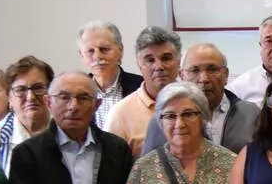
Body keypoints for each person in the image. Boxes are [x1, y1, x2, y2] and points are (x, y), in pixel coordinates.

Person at [142, 43, 260, 155]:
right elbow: (150, 166)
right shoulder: (164, 117)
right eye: (194, 70)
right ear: (182, 76)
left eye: (212, 69)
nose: (204, 79)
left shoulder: (250, 114)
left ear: (226, 75)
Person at [106, 26, 181, 156]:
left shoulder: (196, 104)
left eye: (166, 58)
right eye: (150, 60)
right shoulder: (120, 114)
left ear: (179, 62)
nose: (159, 66)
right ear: (139, 65)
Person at [0, 56, 55, 173]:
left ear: (51, 92)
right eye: (20, 90)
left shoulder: (68, 132)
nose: (30, 97)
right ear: (9, 99)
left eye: (38, 88)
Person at [77, 21, 143, 127]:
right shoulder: (76, 92)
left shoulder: (141, 87)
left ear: (120, 50)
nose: (98, 56)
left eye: (104, 49)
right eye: (90, 51)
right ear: (82, 56)